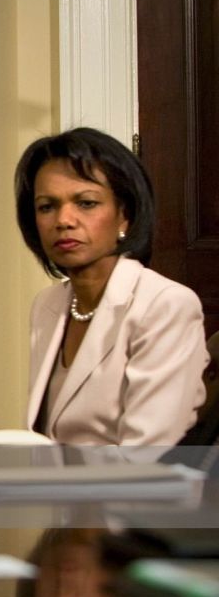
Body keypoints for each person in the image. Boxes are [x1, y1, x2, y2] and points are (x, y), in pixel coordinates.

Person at [16, 127, 208, 445]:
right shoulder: (47, 304)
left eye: (86, 203)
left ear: (125, 216)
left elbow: (144, 454)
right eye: (47, 206)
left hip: (129, 492)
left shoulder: (166, 305)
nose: (64, 220)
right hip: (52, 488)